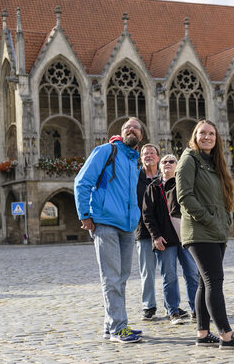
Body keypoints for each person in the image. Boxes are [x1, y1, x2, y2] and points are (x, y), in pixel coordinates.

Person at [176, 120, 234, 349]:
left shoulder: (212, 162)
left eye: (211, 134)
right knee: (214, 282)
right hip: (200, 231)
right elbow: (185, 197)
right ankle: (227, 336)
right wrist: (210, 220)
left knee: (204, 283)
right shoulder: (189, 159)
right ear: (195, 135)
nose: (207, 137)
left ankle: (203, 334)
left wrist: (224, 221)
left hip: (214, 231)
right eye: (202, 133)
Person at [74, 117, 143, 343]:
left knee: (121, 278)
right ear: (121, 132)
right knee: (111, 278)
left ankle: (110, 324)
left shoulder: (134, 161)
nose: (132, 130)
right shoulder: (107, 150)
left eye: (136, 128)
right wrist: (85, 215)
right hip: (105, 223)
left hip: (127, 227)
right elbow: (82, 182)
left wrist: (136, 219)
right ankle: (118, 329)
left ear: (141, 136)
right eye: (127, 127)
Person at [142, 153, 199, 325]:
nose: (167, 163)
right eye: (164, 161)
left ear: (177, 165)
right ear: (160, 166)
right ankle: (173, 311)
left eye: (171, 161)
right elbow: (147, 215)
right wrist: (156, 236)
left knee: (192, 274)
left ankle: (197, 310)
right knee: (170, 277)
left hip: (186, 238)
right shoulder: (153, 187)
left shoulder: (185, 185)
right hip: (165, 239)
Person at [134, 144, 163, 321]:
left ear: (158, 157)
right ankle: (149, 305)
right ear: (141, 158)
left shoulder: (165, 175)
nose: (149, 156)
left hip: (165, 230)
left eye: (152, 153)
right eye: (145, 154)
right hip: (143, 230)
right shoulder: (135, 177)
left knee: (169, 271)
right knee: (147, 270)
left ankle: (172, 306)